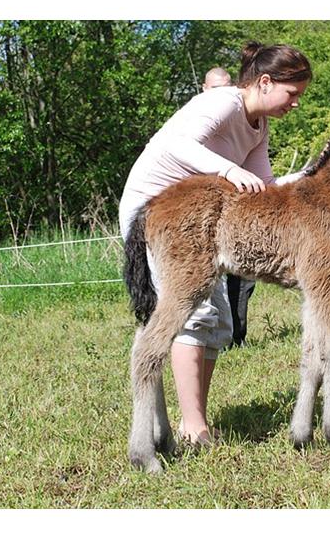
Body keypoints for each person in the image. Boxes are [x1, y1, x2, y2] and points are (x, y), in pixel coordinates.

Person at [119, 42, 312, 446]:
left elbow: (265, 186)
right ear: (264, 82)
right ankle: (193, 427)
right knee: (194, 312)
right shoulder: (224, 102)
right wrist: (227, 169)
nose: (295, 103)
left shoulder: (259, 126)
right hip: (158, 208)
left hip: (203, 217)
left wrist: (313, 175)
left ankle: (190, 421)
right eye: (292, 93)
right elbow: (176, 143)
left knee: (218, 319)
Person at [201, 67, 258, 348]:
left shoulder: (239, 123)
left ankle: (236, 336)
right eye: (216, 89)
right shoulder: (200, 122)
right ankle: (205, 339)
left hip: (239, 208)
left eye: (227, 87)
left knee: (242, 280)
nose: (222, 94)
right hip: (205, 211)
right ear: (204, 89)